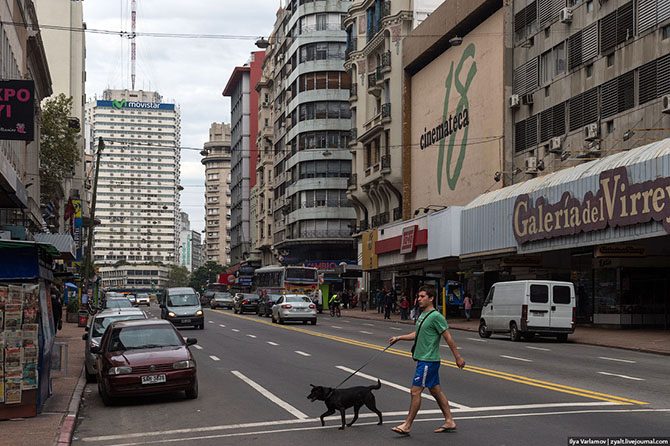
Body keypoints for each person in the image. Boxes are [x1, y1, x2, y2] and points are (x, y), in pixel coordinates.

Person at [388, 285, 465, 435]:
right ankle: (449, 420)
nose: (419, 299)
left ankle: (407, 425)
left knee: (415, 391)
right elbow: (418, 334)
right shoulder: (422, 315)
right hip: (424, 359)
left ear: (431, 298)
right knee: (436, 390)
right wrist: (399, 338)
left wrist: (458, 357)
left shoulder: (436, 316)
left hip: (428, 361)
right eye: (418, 296)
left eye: (422, 296)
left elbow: (448, 337)